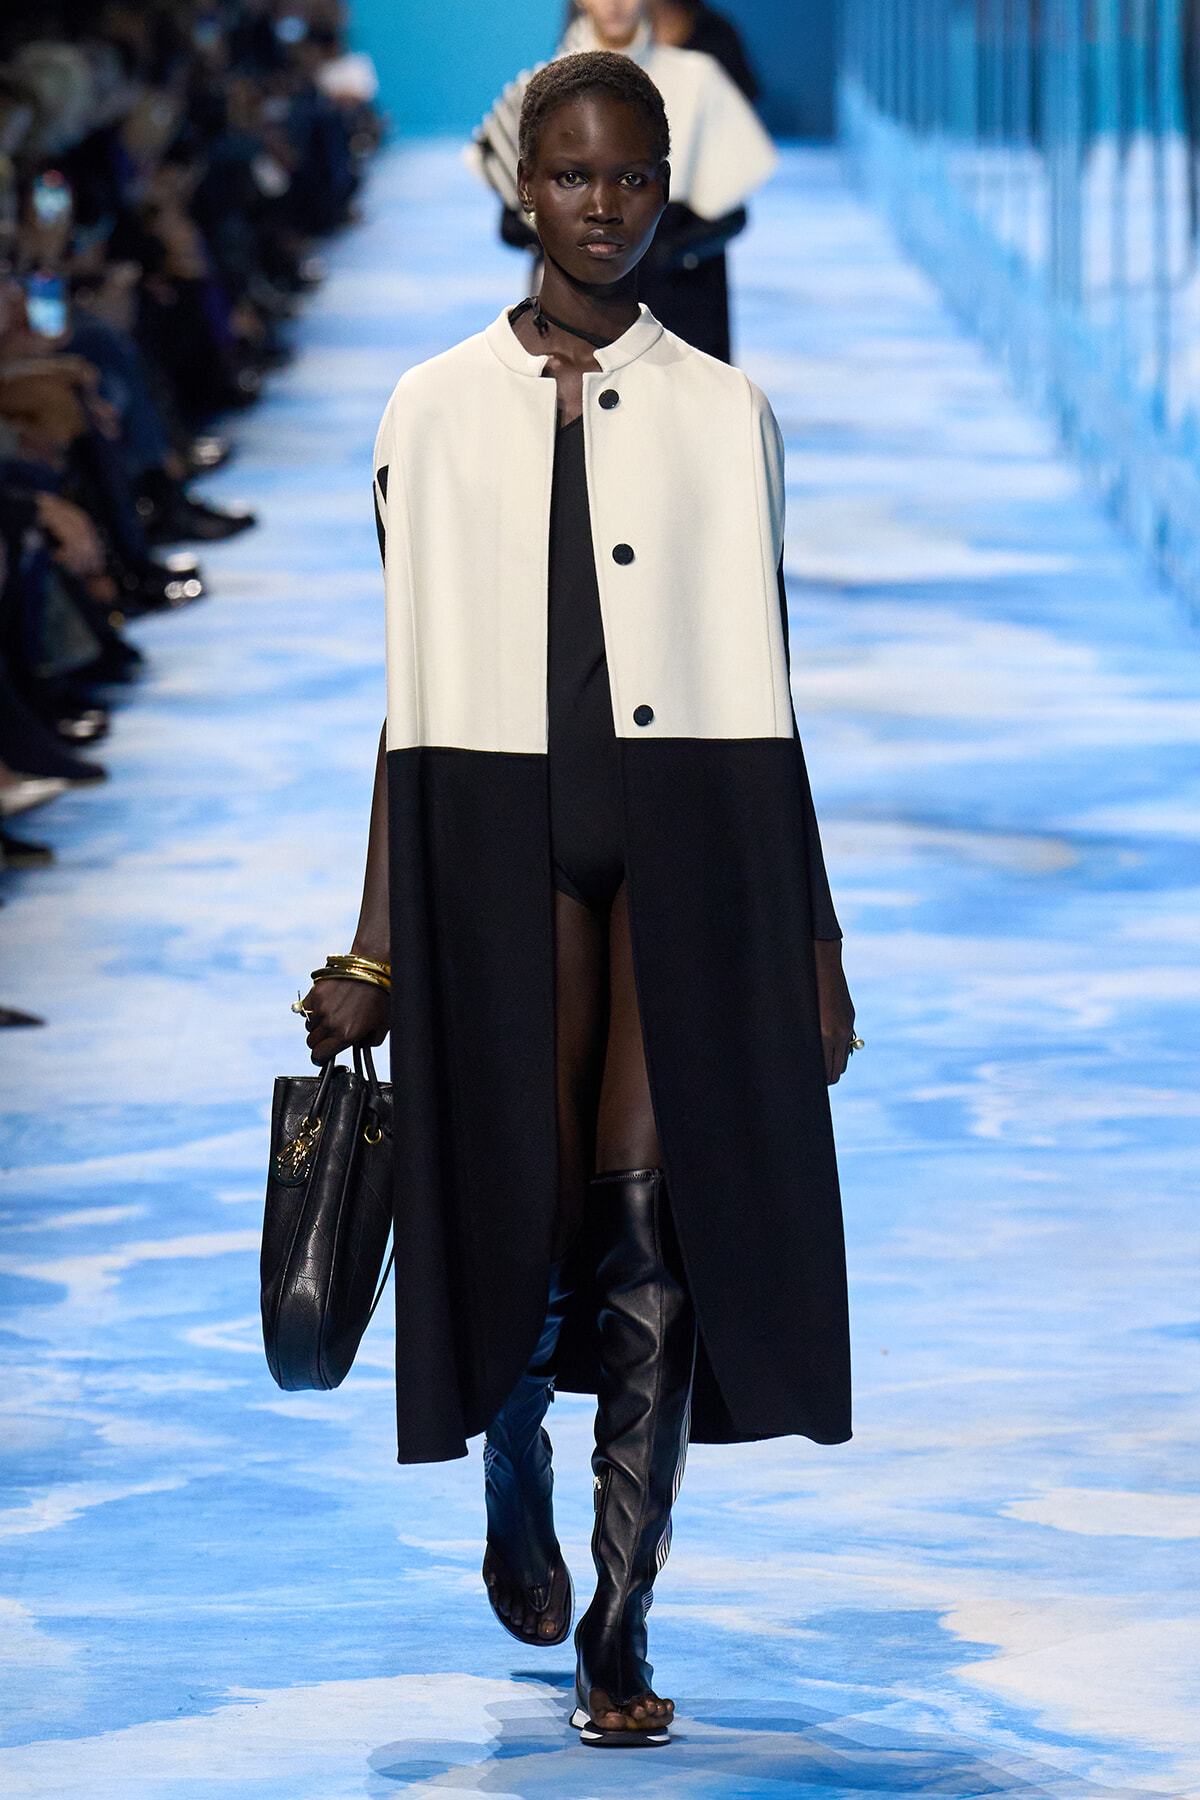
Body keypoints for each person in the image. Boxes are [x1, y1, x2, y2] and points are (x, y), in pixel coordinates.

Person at [301, 51, 856, 1748]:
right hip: (495, 840)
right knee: (530, 1210)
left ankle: (622, 1611)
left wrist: (817, 938)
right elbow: (406, 697)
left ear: (664, 185)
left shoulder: (724, 408)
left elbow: (769, 682)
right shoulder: (428, 409)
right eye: (571, 177)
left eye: (630, 177)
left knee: (643, 1223)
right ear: (515, 186)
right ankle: (514, 1467)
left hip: (698, 845)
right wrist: (370, 944)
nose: (602, 206)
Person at [469, 0, 775, 362]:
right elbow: (511, 221)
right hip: (574, 309)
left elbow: (731, 211)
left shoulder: (698, 79)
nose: (614, 3)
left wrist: (666, 250)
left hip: (679, 302)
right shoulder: (538, 90)